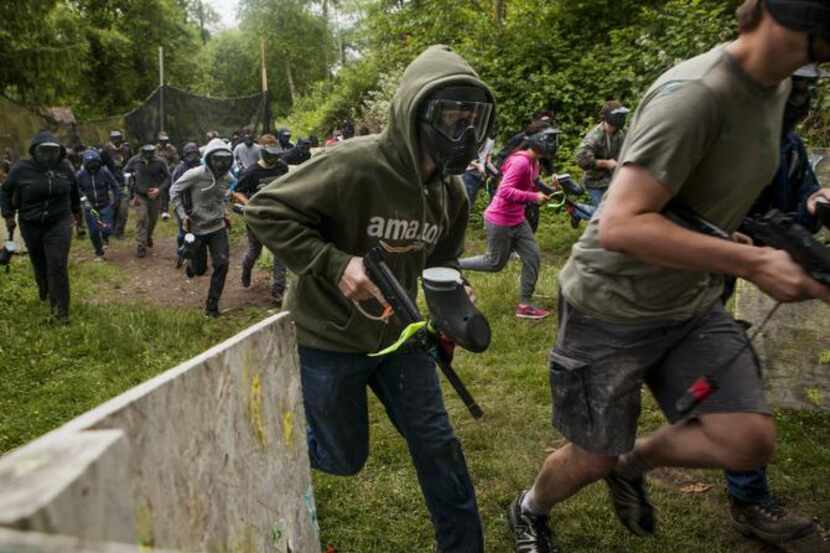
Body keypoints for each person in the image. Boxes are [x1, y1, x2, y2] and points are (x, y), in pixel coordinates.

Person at [506, 2, 830, 552]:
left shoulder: (774, 91)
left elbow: (696, 200)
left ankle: (634, 463)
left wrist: (734, 239)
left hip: (690, 302)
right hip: (612, 305)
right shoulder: (696, 96)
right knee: (592, 455)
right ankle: (529, 508)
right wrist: (753, 264)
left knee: (748, 439)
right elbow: (620, 225)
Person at [245, 44, 495, 553]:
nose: (464, 133)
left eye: (474, 119)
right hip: (329, 338)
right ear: (415, 111)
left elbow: (439, 262)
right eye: (452, 117)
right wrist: (337, 265)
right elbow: (265, 210)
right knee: (343, 457)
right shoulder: (355, 164)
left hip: (399, 338)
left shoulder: (452, 195)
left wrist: (452, 294)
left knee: (438, 447)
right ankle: (270, 448)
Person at [720, 63, 830, 549]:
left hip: (716, 283)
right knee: (598, 438)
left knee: (735, 383)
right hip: (666, 282)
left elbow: (801, 197)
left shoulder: (789, 144)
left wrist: (818, 202)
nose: (802, 100)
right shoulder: (724, 134)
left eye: (809, 88)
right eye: (795, 87)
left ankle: (748, 498)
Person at [459, 128, 558, 320]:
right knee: (494, 263)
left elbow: (534, 181)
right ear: (538, 142)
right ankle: (453, 265)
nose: (554, 144)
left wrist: (549, 189)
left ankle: (525, 305)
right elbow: (504, 191)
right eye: (551, 140)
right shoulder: (520, 161)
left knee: (533, 257)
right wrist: (533, 197)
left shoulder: (533, 161)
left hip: (517, 219)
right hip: (500, 220)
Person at [1, 131, 81, 323]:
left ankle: (60, 313)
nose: (48, 156)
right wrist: (8, 215)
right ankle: (44, 287)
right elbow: (4, 192)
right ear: (35, 151)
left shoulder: (65, 168)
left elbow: (74, 193)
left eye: (52, 152)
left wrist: (78, 215)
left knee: (57, 264)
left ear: (59, 152)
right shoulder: (21, 169)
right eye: (44, 151)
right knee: (40, 263)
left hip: (59, 222)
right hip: (31, 223)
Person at [170, 138, 234, 317]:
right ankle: (190, 262)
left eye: (225, 160)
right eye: (217, 160)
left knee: (222, 263)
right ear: (209, 158)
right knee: (200, 270)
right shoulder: (195, 174)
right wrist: (183, 216)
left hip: (217, 227)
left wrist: (225, 212)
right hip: (197, 227)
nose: (221, 164)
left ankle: (212, 306)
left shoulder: (227, 177)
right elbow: (174, 191)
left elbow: (222, 196)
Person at [234, 134, 289, 304]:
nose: (274, 158)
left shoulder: (282, 167)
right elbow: (237, 192)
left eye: (276, 154)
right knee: (254, 252)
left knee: (281, 253)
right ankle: (246, 270)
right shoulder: (251, 172)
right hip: (257, 219)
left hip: (278, 217)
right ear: (263, 152)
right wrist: (250, 204)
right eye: (271, 154)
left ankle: (277, 291)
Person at [574, 100, 629, 211]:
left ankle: (577, 210)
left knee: (616, 211)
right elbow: (581, 159)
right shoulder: (595, 136)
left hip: (612, 180)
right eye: (619, 115)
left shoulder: (621, 133)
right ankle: (576, 210)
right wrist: (606, 163)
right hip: (594, 182)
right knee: (603, 214)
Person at [125, 144, 169, 258]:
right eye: (146, 154)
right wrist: (131, 188)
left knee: (152, 220)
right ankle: (141, 245)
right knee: (141, 218)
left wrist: (159, 190)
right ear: (142, 153)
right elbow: (125, 172)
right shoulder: (135, 160)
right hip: (140, 195)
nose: (148, 156)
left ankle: (148, 236)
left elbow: (168, 178)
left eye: (151, 154)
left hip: (155, 196)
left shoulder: (160, 162)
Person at [76, 150, 120, 258]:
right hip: (89, 207)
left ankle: (105, 238)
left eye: (95, 163)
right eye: (90, 164)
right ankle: (99, 252)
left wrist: (116, 200)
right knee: (94, 231)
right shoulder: (80, 175)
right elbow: (75, 188)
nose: (93, 166)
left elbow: (115, 186)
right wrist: (83, 198)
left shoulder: (104, 172)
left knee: (107, 229)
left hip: (105, 205)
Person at [170, 142, 202, 268]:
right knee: (183, 231)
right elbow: (174, 189)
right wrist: (179, 208)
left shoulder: (202, 167)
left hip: (199, 205)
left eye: (194, 154)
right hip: (183, 205)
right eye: (189, 154)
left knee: (199, 233)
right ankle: (181, 252)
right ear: (185, 155)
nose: (192, 157)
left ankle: (197, 258)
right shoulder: (179, 169)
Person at [104, 130, 132, 238]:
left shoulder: (126, 149)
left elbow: (130, 163)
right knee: (113, 207)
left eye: (118, 138)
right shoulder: (106, 150)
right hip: (111, 184)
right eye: (114, 139)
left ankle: (119, 232)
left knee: (123, 210)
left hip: (124, 183)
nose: (116, 141)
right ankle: (111, 229)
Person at [156, 131, 179, 221]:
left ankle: (169, 209)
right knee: (161, 192)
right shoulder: (155, 149)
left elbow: (176, 161)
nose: (163, 142)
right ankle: (162, 210)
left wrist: (169, 168)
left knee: (169, 191)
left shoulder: (172, 149)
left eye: (165, 140)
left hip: (169, 173)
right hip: (158, 173)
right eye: (162, 141)